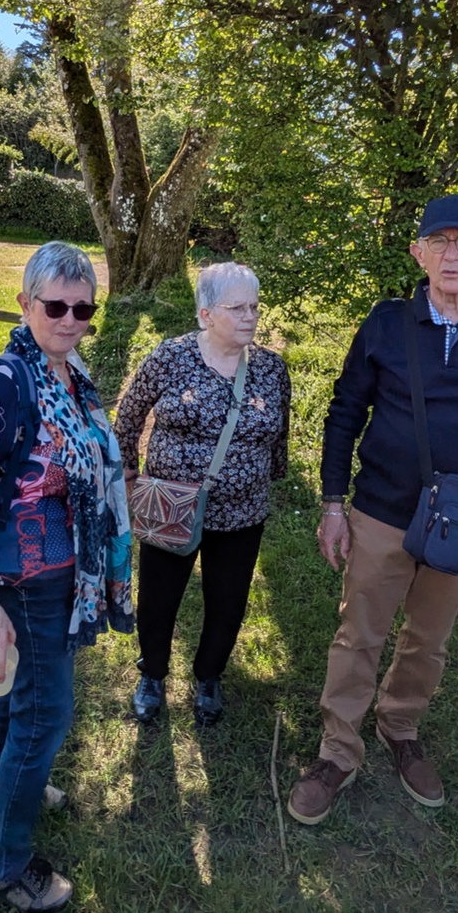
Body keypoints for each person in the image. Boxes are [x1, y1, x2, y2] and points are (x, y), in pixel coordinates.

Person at [288, 193, 458, 824]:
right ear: (418, 252)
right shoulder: (386, 324)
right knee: (359, 634)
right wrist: (333, 504)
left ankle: (401, 726)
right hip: (380, 512)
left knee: (429, 640)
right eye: (438, 241)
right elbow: (344, 412)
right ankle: (338, 751)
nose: (451, 254)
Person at [0, 241, 132, 913]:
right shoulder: (6, 384)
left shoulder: (68, 373)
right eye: (55, 307)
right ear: (24, 305)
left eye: (83, 309)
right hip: (24, 579)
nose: (70, 320)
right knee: (44, 716)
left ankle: (3, 792)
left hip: (61, 572)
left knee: (20, 702)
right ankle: (4, 866)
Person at [114, 261, 291, 727]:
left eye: (254, 306)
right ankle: (152, 673)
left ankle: (209, 676)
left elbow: (280, 434)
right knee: (159, 597)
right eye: (238, 308)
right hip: (170, 505)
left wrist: (265, 478)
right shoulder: (169, 357)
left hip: (242, 514)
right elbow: (128, 417)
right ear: (206, 314)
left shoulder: (271, 369)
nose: (250, 316)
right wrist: (129, 472)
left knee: (228, 601)